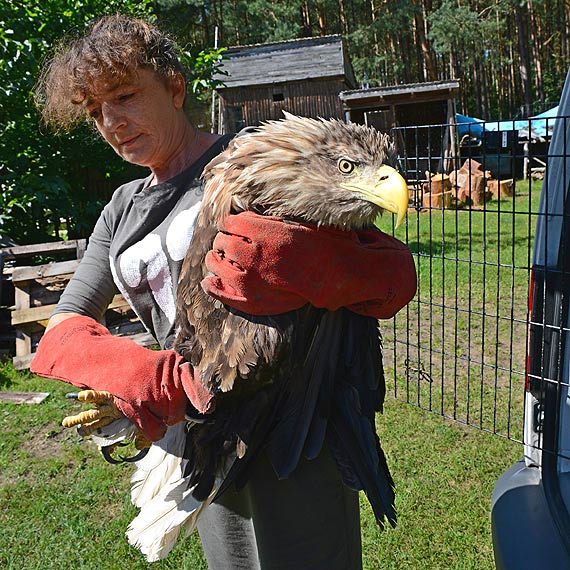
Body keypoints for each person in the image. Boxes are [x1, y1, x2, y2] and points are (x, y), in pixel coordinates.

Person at [31, 14, 416, 570]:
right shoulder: (122, 208)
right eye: (96, 112)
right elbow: (66, 321)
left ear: (173, 85)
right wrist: (136, 380)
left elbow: (390, 276)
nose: (113, 121)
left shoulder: (262, 165)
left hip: (297, 431)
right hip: (202, 429)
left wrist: (331, 267)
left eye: (124, 95)